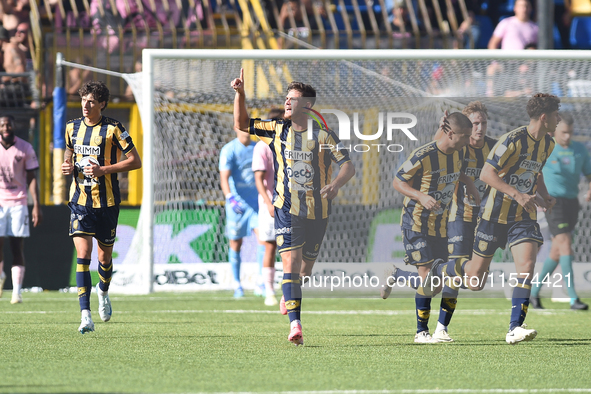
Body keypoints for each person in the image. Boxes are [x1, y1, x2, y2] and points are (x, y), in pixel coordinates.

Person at [231, 70, 355, 346]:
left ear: (307, 106)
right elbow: (241, 123)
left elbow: (349, 166)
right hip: (286, 208)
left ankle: (292, 294)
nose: (287, 103)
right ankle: (295, 324)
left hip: (319, 212)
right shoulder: (276, 130)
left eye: (293, 99)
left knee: (304, 270)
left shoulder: (324, 136)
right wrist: (240, 94)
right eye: (286, 98)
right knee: (289, 262)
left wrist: (335, 185)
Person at [424, 93, 559, 345]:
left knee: (527, 266)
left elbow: (534, 170)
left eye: (483, 123)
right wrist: (442, 132)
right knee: (474, 280)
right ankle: (440, 300)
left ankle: (515, 327)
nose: (480, 128)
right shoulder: (506, 141)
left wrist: (544, 195)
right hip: (479, 215)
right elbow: (451, 156)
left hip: (520, 214)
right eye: (475, 123)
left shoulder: (546, 144)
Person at [383, 112, 476, 343]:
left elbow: (457, 173)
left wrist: (470, 185)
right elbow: (397, 181)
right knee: (433, 279)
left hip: (441, 225)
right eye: (464, 136)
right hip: (415, 223)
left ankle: (398, 274)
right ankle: (422, 332)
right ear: (451, 133)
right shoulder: (422, 155)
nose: (468, 141)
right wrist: (420, 196)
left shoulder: (458, 151)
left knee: (434, 286)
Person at [61, 81, 142, 334]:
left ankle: (103, 291)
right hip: (80, 202)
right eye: (84, 100)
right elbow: (69, 154)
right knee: (83, 257)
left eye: (92, 101)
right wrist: (67, 166)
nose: (86, 105)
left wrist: (103, 170)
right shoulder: (71, 128)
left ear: (102, 104)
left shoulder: (113, 129)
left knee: (104, 258)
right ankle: (85, 315)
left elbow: (135, 161)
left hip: (107, 203)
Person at [530, 112, 591, 310]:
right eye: (563, 132)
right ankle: (573, 297)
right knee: (565, 245)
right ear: (555, 130)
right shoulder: (546, 148)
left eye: (570, 133)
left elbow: (589, 174)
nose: (567, 136)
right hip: (553, 203)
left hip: (572, 203)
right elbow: (533, 172)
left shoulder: (580, 149)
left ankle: (533, 293)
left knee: (556, 251)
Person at [0, 114, 42, 303]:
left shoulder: (25, 148)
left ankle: (17, 291)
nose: (6, 127)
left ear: (13, 126)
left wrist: (36, 206)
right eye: (2, 125)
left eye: (8, 124)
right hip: (0, 203)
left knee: (17, 246)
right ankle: (1, 276)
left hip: (18, 202)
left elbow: (32, 178)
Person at [219, 127, 259, 299]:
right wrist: (230, 198)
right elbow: (224, 177)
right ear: (235, 128)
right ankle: (237, 284)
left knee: (264, 240)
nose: (246, 131)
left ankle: (262, 282)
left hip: (257, 203)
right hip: (237, 204)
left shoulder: (258, 147)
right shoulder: (229, 150)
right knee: (236, 243)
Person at [252, 107, 283, 306]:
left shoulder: (290, 144)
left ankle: (289, 288)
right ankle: (269, 291)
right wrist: (268, 202)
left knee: (292, 249)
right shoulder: (262, 147)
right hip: (271, 204)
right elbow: (259, 178)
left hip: (291, 203)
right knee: (270, 246)